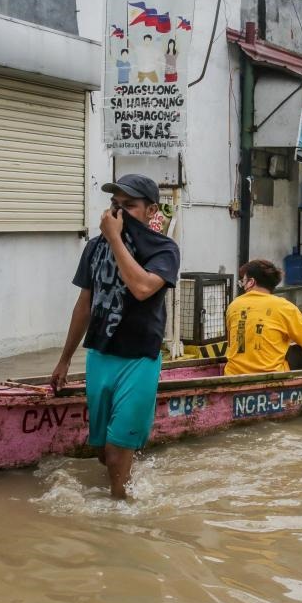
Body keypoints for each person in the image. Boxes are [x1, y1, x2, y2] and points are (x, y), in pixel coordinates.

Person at [50, 174, 180, 499]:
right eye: (114, 205)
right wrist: (64, 360)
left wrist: (116, 240)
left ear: (151, 210)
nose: (119, 212)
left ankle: (120, 510)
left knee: (117, 446)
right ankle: (123, 487)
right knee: (102, 450)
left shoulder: (163, 249)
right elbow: (84, 304)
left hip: (139, 359)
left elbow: (142, 288)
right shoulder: (95, 247)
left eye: (129, 205)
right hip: (100, 355)